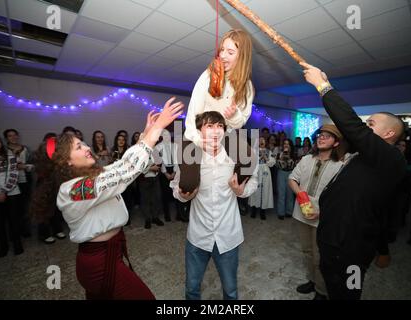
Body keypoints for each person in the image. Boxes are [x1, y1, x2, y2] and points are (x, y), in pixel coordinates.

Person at [30, 97, 183, 299]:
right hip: (99, 262)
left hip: (111, 252)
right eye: (78, 147)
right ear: (66, 162)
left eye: (83, 143)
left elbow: (119, 167)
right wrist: (158, 130)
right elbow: (125, 171)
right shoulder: (73, 190)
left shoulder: (91, 177)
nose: (86, 147)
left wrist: (146, 132)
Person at [301, 62, 406, 300]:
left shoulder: (391, 159)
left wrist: (323, 86)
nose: (364, 129)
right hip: (333, 239)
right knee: (331, 284)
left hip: (353, 249)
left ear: (389, 134)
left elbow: (352, 126)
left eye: (370, 125)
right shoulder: (364, 157)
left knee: (349, 292)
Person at [170, 111, 258, 300]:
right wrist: (186, 196)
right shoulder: (190, 158)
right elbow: (176, 188)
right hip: (198, 235)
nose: (216, 131)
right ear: (199, 131)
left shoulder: (235, 156)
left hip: (228, 235)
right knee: (192, 288)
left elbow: (253, 180)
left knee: (231, 290)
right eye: (209, 126)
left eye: (220, 126)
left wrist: (241, 191)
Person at [180, 29, 255, 192]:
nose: (223, 56)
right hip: (198, 132)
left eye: (230, 52)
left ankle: (231, 190)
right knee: (188, 184)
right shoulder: (208, 75)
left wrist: (233, 115)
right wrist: (199, 140)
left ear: (242, 56)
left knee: (248, 159)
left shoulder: (246, 86)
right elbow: (193, 112)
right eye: (222, 50)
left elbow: (241, 121)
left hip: (223, 134)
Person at [288, 124, 346, 300]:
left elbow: (342, 198)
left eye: (328, 136)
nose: (321, 138)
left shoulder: (341, 166)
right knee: (306, 251)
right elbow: (292, 178)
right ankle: (312, 281)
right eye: (320, 135)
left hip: (324, 218)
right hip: (302, 213)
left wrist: (320, 213)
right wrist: (300, 194)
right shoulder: (307, 159)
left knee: (320, 256)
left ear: (336, 143)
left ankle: (322, 291)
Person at [3, 128, 34, 238]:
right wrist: (16, 166)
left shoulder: (25, 148)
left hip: (25, 180)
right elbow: (3, 166)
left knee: (25, 207)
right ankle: (13, 232)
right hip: (10, 182)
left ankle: (25, 229)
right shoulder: (4, 150)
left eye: (15, 135)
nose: (13, 137)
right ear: (6, 138)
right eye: (10, 136)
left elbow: (31, 162)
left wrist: (27, 166)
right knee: (12, 209)